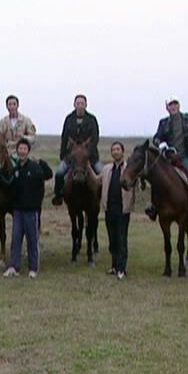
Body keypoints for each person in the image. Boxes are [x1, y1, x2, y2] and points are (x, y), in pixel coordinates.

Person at [0, 138, 53, 279]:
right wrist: (0, 178)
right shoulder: (16, 170)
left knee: (32, 240)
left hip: (31, 211)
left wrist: (42, 163)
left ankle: (33, 268)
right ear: (17, 151)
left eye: (24, 149)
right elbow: (10, 186)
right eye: (20, 149)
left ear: (28, 151)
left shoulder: (35, 168)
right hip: (17, 211)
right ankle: (14, 267)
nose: (22, 151)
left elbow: (48, 175)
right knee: (16, 239)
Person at [149, 96, 188, 215]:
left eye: (175, 104)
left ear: (179, 106)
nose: (173, 107)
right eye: (170, 105)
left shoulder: (187, 118)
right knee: (156, 178)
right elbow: (156, 138)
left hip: (183, 155)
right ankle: (154, 206)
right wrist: (162, 144)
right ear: (167, 108)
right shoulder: (163, 122)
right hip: (167, 157)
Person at [52, 94, 102, 205]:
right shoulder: (69, 119)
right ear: (74, 104)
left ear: (86, 105)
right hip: (72, 156)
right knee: (59, 173)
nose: (80, 106)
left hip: (89, 156)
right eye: (78, 103)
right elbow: (64, 137)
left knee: (102, 173)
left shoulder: (92, 119)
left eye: (82, 103)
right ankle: (59, 195)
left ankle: (102, 196)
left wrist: (89, 153)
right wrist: (63, 154)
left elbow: (95, 137)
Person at [99, 142, 137, 280]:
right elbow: (98, 181)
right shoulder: (107, 169)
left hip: (123, 209)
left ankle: (122, 268)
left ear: (123, 151)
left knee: (122, 239)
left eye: (118, 149)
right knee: (112, 239)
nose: (115, 152)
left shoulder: (129, 169)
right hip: (109, 209)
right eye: (113, 150)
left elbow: (136, 183)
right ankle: (114, 266)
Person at [0, 94, 37, 160]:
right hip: (7, 153)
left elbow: (33, 137)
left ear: (18, 105)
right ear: (7, 106)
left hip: (23, 152)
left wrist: (23, 137)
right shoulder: (3, 122)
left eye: (14, 104)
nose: (12, 107)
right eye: (9, 104)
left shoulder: (26, 120)